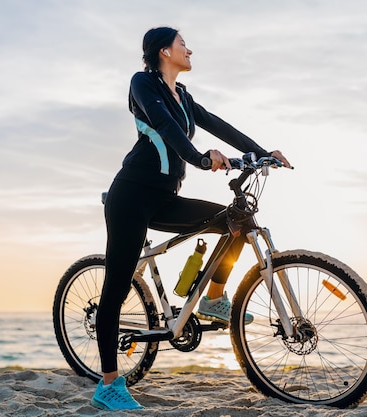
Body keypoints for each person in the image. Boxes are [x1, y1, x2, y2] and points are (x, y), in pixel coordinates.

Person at [91, 27, 291, 411]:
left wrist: (262, 152)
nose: (190, 49)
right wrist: (200, 159)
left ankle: (213, 299)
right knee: (116, 286)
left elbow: (219, 124)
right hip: (131, 196)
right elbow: (165, 129)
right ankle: (109, 385)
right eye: (184, 44)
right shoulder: (143, 85)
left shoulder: (183, 96)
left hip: (165, 198)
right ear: (165, 50)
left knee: (235, 220)